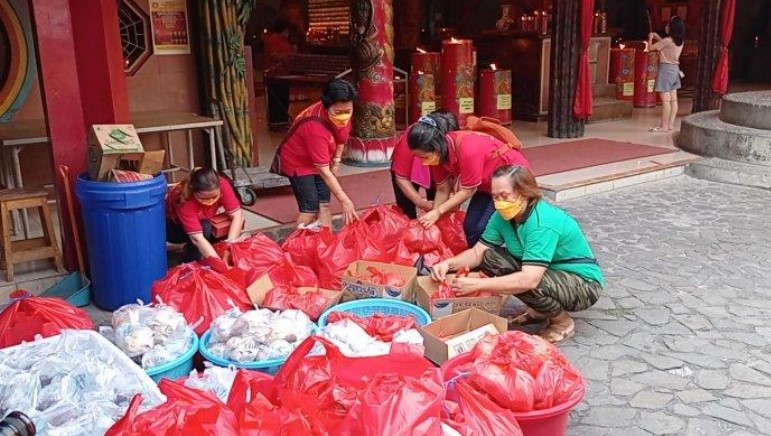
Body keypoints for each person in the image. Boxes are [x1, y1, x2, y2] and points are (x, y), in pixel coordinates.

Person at [430, 165, 604, 343]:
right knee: (492, 258)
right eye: (495, 197)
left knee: (530, 283)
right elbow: (478, 252)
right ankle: (541, 310)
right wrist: (448, 264)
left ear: (524, 192)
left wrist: (478, 285)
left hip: (583, 284)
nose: (498, 203)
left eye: (504, 196)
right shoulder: (502, 217)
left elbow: (530, 279)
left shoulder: (542, 222)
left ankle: (562, 323)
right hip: (549, 272)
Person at [407, 111, 531, 247]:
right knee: (470, 227)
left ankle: (494, 259)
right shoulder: (438, 156)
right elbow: (443, 189)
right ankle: (479, 262)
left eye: (424, 156)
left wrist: (438, 212)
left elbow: (468, 191)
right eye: (419, 158)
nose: (423, 162)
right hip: (486, 185)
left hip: (510, 181)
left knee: (484, 228)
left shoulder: (468, 149)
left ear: (437, 146)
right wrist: (433, 218)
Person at [276, 79, 358, 226]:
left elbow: (341, 139)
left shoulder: (342, 116)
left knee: (324, 204)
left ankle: (327, 244)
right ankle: (296, 245)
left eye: (348, 111)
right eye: (338, 112)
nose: (344, 116)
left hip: (322, 159)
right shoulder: (315, 129)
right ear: (326, 108)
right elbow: (324, 172)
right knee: (310, 209)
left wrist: (337, 161)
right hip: (298, 162)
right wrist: (345, 201)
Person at [166, 168, 245, 262]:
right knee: (205, 227)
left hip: (202, 221)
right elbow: (197, 238)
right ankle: (190, 262)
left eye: (214, 196)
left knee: (233, 222)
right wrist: (219, 264)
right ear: (194, 192)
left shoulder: (222, 184)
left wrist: (229, 245)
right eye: (204, 198)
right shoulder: (184, 199)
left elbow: (237, 215)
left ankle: (216, 252)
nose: (210, 201)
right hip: (173, 229)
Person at [390, 125, 439, 219]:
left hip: (437, 170)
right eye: (420, 157)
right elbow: (401, 178)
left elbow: (446, 184)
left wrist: (439, 209)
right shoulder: (409, 142)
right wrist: (421, 203)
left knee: (438, 205)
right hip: (407, 172)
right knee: (407, 212)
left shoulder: (447, 144)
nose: (424, 163)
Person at [648, 16, 685, 132]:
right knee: (673, 100)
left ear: (672, 28)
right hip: (675, 71)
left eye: (669, 25)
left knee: (665, 100)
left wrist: (650, 38)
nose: (667, 26)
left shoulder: (667, 41)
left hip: (666, 71)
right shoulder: (679, 41)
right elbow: (664, 44)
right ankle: (670, 124)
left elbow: (650, 48)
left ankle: (663, 125)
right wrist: (657, 36)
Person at [264, 18, 298, 128]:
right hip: (274, 73)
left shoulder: (285, 40)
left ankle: (283, 120)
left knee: (284, 98)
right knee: (276, 99)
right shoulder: (273, 39)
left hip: (284, 73)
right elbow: (273, 55)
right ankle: (275, 122)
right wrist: (288, 54)